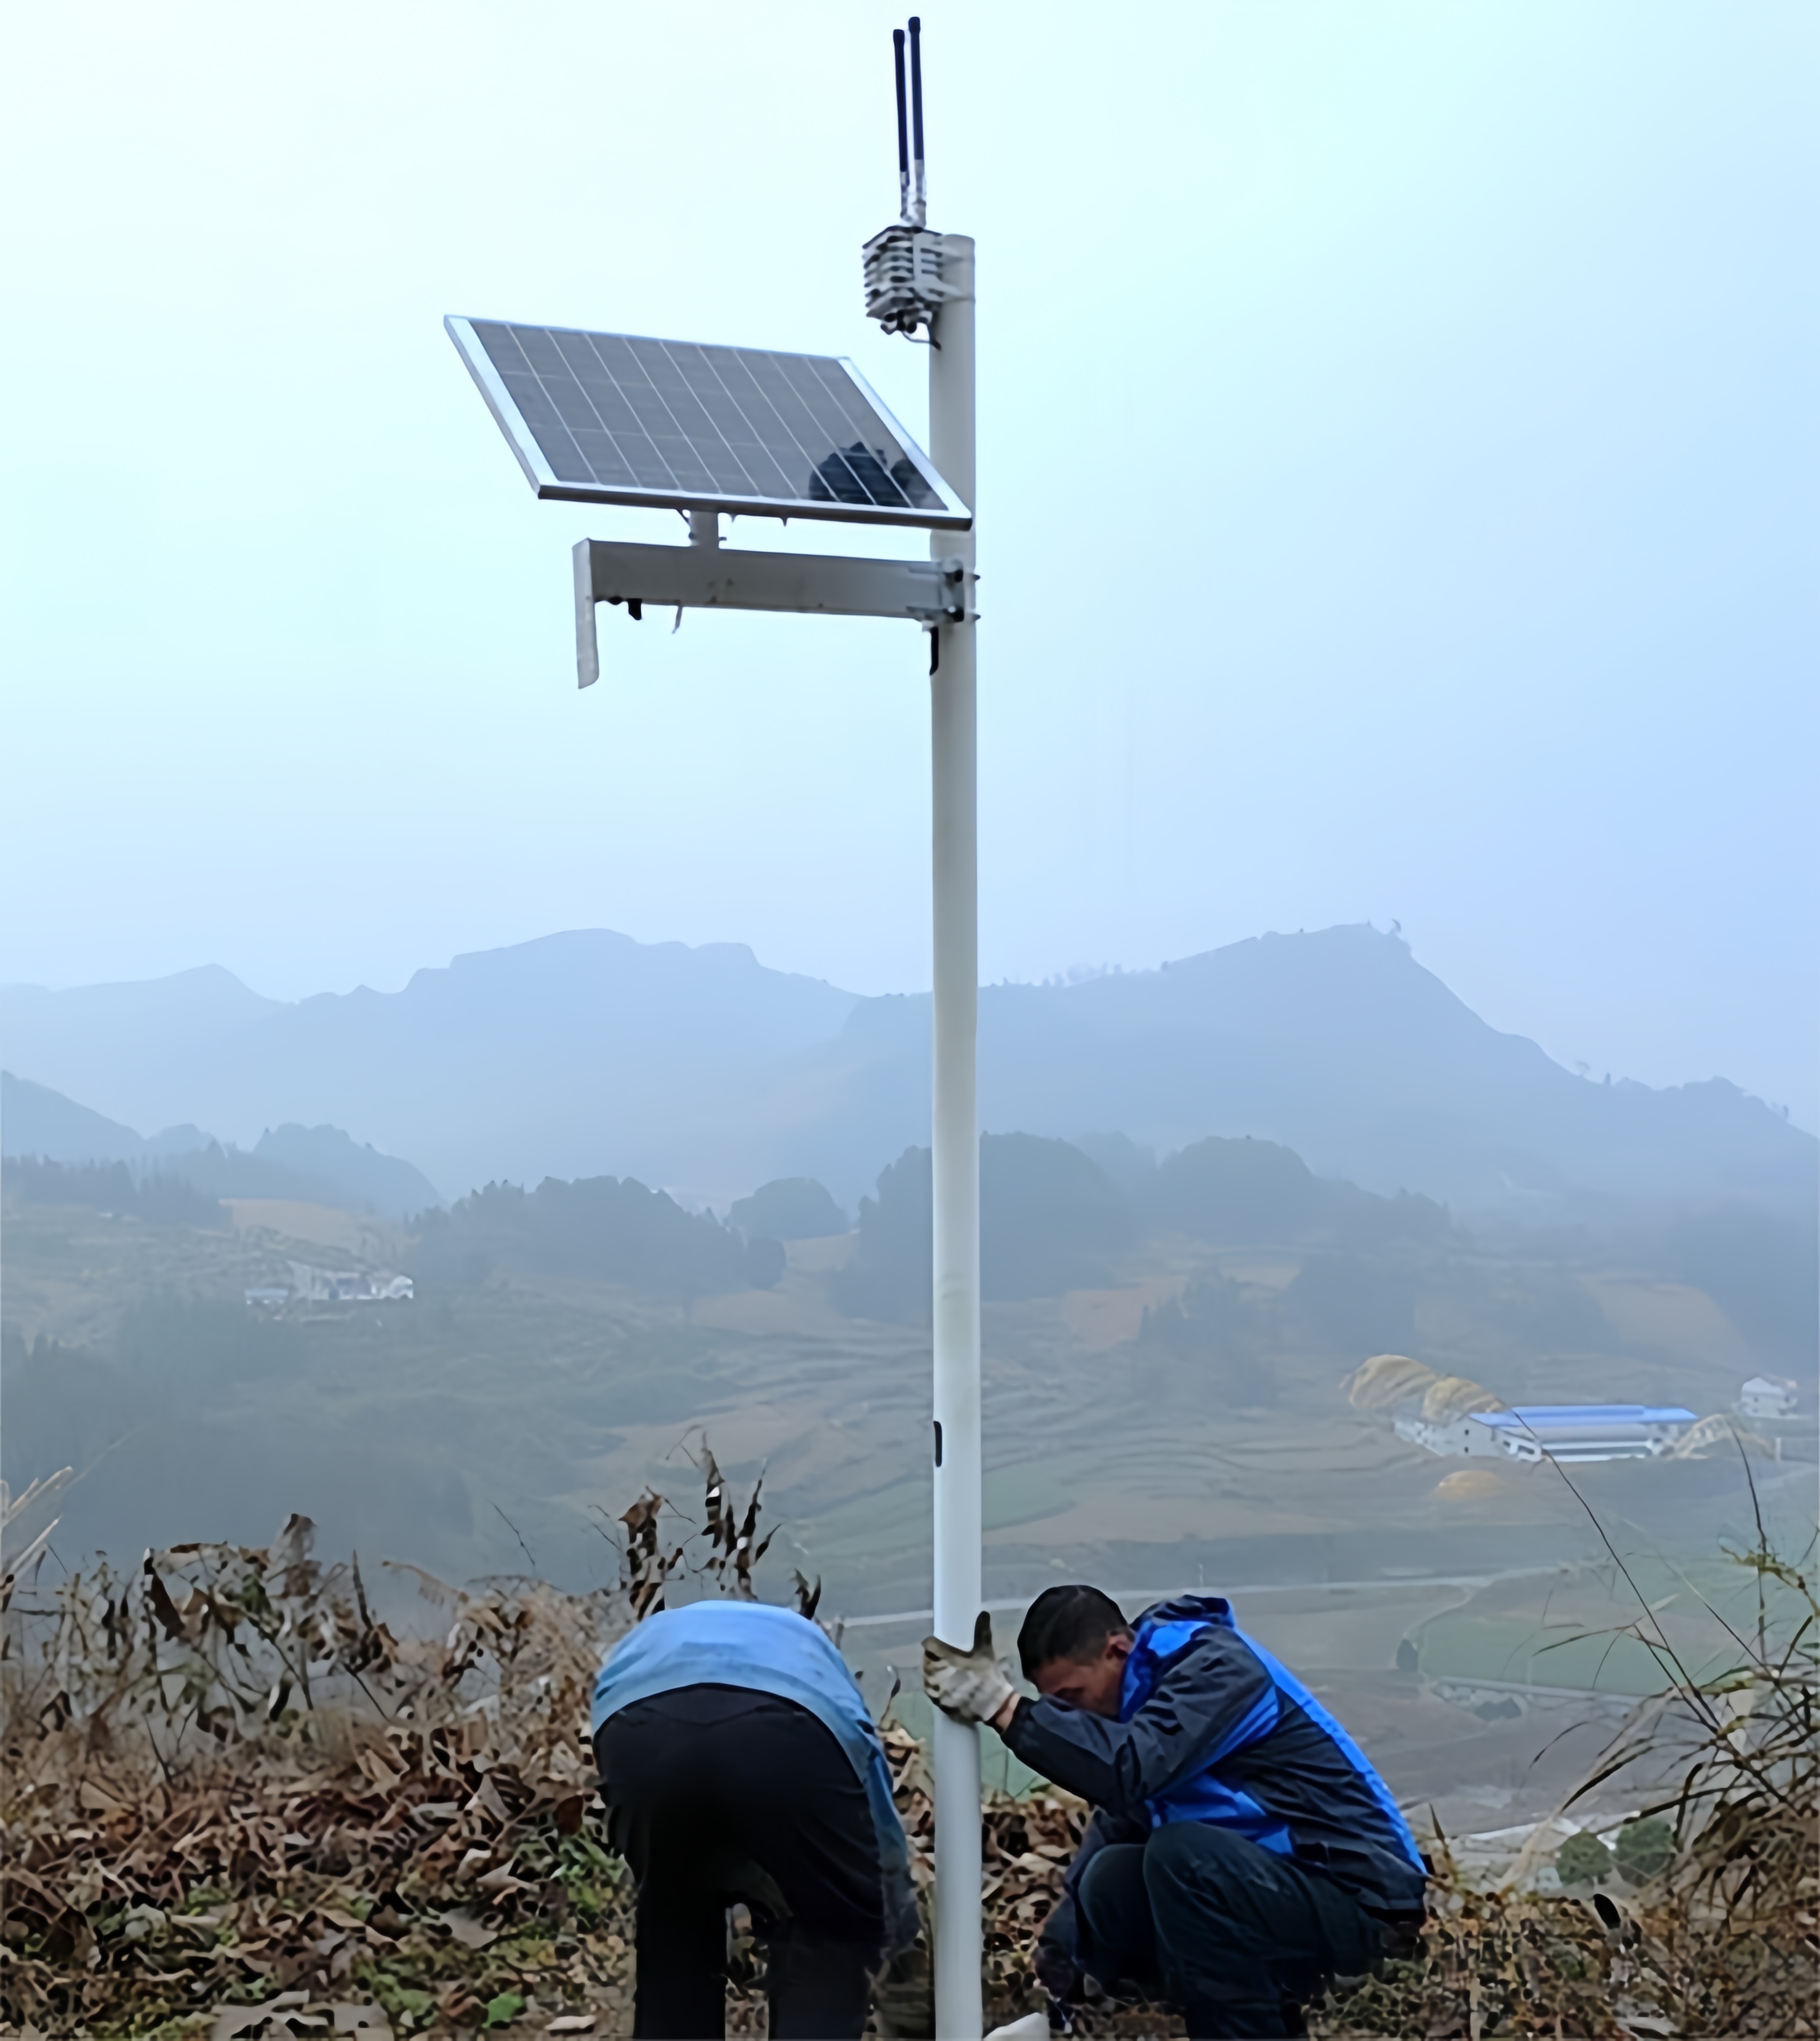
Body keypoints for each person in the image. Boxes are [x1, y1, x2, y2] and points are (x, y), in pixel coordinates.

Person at [924, 1586, 1427, 2039]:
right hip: (1275, 1895)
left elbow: (1130, 1769)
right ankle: (1155, 2013)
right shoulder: (1140, 1706)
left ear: (1117, 1651)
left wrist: (1005, 1709)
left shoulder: (1218, 1671)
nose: (1072, 1715)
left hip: (1363, 1904)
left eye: (1072, 1697)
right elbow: (1116, 1820)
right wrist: (1058, 1967)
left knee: (1181, 1856)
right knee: (1109, 1880)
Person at [593, 1598, 918, 2040]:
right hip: (792, 1721)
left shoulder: (657, 1638)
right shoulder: (821, 1667)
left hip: (637, 1723)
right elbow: (880, 1835)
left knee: (675, 1927)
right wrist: (895, 1926)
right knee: (829, 1935)